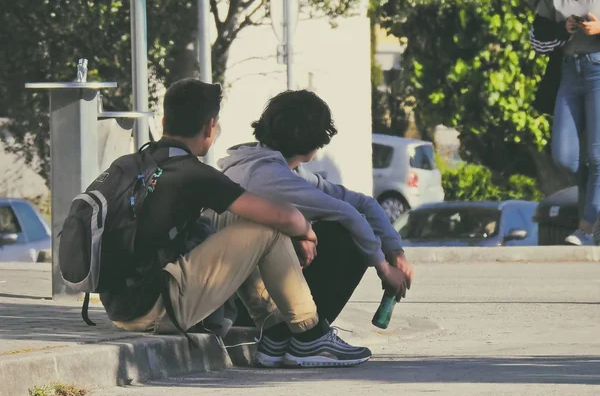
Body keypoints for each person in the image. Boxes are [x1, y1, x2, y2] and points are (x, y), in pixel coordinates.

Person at [100, 79, 372, 368]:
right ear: (210, 127)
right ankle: (310, 334)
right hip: (159, 309)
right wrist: (306, 232)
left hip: (120, 307)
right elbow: (284, 217)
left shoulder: (135, 163)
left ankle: (276, 333)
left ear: (165, 121)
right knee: (266, 227)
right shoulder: (196, 175)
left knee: (243, 215)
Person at [211, 90, 413, 366]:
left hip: (246, 291)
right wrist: (384, 268)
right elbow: (348, 213)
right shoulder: (270, 176)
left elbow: (361, 202)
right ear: (315, 141)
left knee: (337, 227)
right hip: (242, 302)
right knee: (347, 236)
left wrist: (395, 251)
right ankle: (309, 338)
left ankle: (282, 339)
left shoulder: (270, 165)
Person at [529, 0, 600, 245]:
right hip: (568, 75)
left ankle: (585, 229)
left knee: (597, 156)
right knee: (564, 156)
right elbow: (537, 42)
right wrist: (563, 30)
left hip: (598, 71)